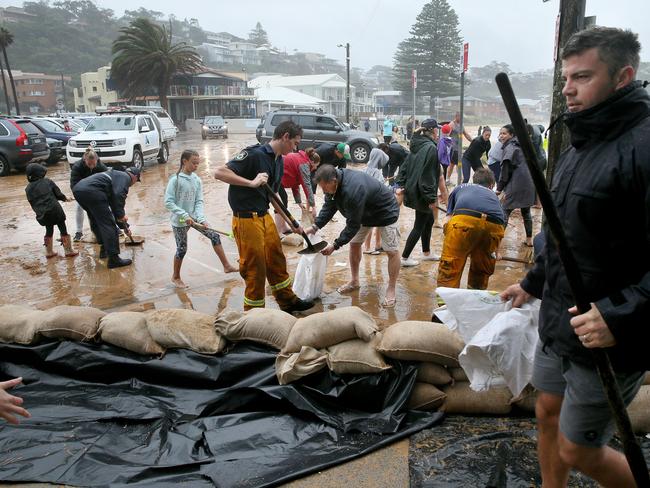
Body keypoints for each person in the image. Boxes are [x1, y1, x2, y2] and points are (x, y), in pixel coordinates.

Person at [500, 27, 650, 487]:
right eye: (566, 77)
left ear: (623, 77)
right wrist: (532, 282)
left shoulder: (643, 147)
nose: (567, 88)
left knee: (579, 448)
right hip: (559, 316)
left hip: (608, 333)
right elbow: (563, 235)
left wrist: (620, 316)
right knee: (546, 410)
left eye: (582, 77)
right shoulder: (576, 145)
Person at [214, 120, 314, 313]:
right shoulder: (255, 155)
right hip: (246, 219)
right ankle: (254, 313)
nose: (296, 147)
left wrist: (291, 222)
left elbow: (272, 195)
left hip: (264, 215)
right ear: (285, 137)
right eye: (295, 142)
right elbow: (219, 172)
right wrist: (251, 183)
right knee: (255, 268)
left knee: (277, 259)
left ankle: (287, 301)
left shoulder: (279, 160)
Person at [307, 164, 400, 308]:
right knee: (354, 244)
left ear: (333, 180)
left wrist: (335, 245)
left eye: (325, 187)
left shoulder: (353, 189)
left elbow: (353, 225)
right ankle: (355, 281)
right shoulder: (333, 185)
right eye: (322, 188)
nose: (323, 191)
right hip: (364, 213)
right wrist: (315, 226)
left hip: (385, 211)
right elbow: (329, 206)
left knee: (391, 251)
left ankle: (391, 289)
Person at [164, 149, 237, 288]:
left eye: (198, 164)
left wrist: (201, 218)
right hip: (180, 220)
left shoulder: (196, 180)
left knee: (214, 236)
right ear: (184, 161)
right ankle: (175, 277)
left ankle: (226, 266)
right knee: (182, 249)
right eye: (193, 163)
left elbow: (199, 201)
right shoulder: (176, 180)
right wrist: (184, 215)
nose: (196, 166)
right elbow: (168, 202)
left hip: (194, 218)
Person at [437, 168, 505, 289]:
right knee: (481, 271)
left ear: (474, 180)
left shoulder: (461, 187)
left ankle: (446, 305)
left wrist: (455, 245)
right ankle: (475, 300)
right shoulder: (494, 197)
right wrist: (496, 252)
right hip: (493, 226)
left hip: (463, 221)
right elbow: (501, 226)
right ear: (491, 185)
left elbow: (447, 220)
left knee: (450, 268)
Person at [395, 118, 445, 267]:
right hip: (422, 193)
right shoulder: (430, 148)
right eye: (437, 129)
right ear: (432, 130)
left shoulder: (417, 145)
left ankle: (427, 253)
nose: (438, 132)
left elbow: (404, 167)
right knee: (419, 225)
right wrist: (431, 198)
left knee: (429, 220)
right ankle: (404, 258)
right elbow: (428, 176)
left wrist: (400, 183)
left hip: (416, 190)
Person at [73, 167, 141, 268]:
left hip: (79, 189)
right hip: (92, 191)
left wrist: (123, 225)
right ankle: (114, 259)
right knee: (108, 224)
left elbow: (114, 205)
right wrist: (121, 215)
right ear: (135, 177)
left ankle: (104, 249)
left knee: (96, 220)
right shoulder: (125, 178)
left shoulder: (116, 175)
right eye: (136, 181)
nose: (133, 184)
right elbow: (118, 197)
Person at [25, 163, 78, 259]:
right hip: (55, 210)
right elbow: (58, 194)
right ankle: (68, 250)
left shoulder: (27, 189)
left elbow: (33, 202)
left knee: (49, 230)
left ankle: (49, 252)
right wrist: (65, 198)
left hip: (43, 214)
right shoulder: (48, 181)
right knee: (62, 228)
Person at [496, 124, 535, 247]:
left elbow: (505, 172)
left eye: (504, 133)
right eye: (500, 133)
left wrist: (499, 188)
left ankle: (497, 242)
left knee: (505, 210)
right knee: (526, 211)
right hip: (529, 183)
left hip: (516, 183)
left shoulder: (510, 148)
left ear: (511, 135)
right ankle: (529, 239)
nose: (501, 136)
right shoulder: (523, 145)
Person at [69, 147, 108, 242]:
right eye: (89, 164)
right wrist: (80, 198)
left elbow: (108, 182)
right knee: (79, 207)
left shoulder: (101, 167)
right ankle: (79, 232)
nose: (91, 166)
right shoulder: (77, 167)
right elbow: (74, 185)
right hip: (81, 190)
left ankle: (114, 227)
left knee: (107, 206)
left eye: (94, 164)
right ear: (84, 160)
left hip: (96, 190)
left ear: (97, 160)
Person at [278, 147, 318, 227]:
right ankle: (279, 229)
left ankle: (283, 227)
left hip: (280, 178)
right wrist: (313, 207)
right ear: (312, 162)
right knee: (281, 202)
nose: (316, 168)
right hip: (277, 177)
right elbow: (307, 186)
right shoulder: (304, 164)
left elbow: (295, 184)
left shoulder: (302, 160)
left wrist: (299, 202)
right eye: (316, 165)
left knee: (283, 202)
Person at [362, 145, 390, 254]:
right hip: (375, 202)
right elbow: (380, 187)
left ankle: (375, 245)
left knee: (374, 224)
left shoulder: (366, 169)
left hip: (365, 200)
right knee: (373, 224)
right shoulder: (377, 172)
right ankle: (369, 247)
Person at [448, 112, 473, 186]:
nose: (462, 119)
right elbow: (447, 135)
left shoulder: (461, 125)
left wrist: (473, 141)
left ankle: (448, 179)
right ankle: (460, 179)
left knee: (453, 164)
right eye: (460, 117)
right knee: (458, 164)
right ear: (456, 116)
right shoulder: (452, 124)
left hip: (459, 148)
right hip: (453, 148)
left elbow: (466, 134)